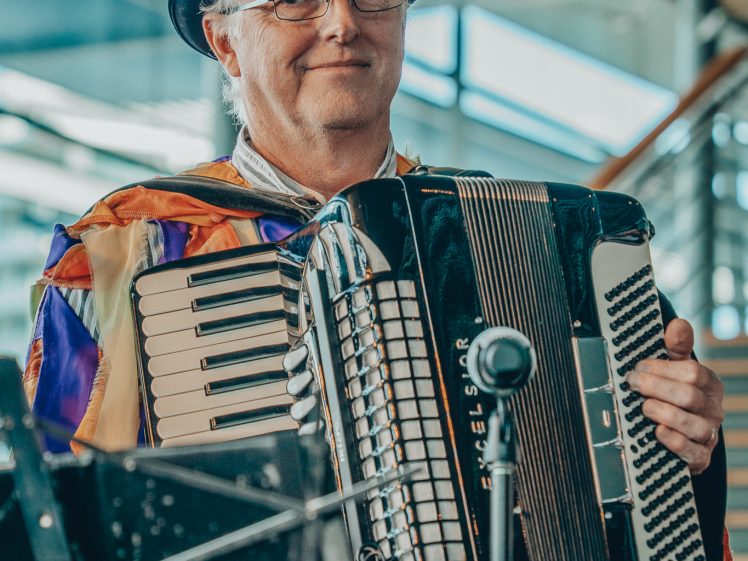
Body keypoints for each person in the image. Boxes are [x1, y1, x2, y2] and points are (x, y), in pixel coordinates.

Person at [23, 0, 730, 558]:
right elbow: (55, 520)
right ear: (226, 42)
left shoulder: (548, 239)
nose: (343, 24)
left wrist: (685, 438)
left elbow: (644, 498)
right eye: (295, 0)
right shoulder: (122, 255)